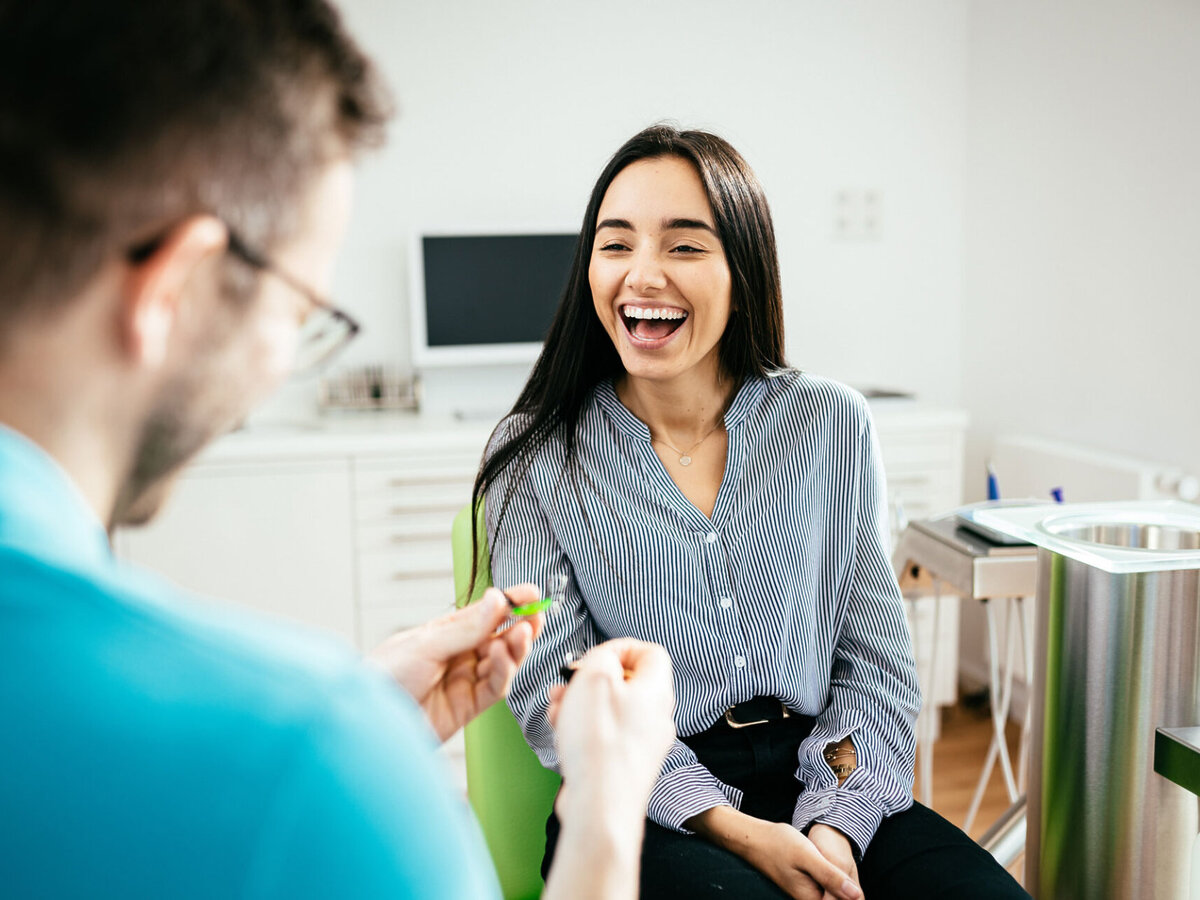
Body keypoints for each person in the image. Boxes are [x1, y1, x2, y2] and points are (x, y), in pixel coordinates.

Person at [0, 3, 675, 898]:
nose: (283, 359)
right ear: (180, 286)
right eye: (298, 313)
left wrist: (361, 712)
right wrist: (607, 805)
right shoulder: (317, 767)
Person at [476, 125, 1031, 900]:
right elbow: (552, 693)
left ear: (743, 268)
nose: (643, 275)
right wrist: (737, 830)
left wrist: (831, 825)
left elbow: (875, 663)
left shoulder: (830, 424)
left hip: (826, 770)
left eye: (684, 247)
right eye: (616, 244)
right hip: (643, 801)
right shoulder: (534, 457)